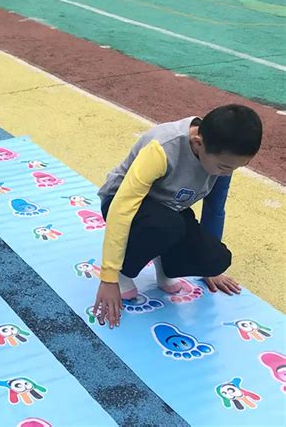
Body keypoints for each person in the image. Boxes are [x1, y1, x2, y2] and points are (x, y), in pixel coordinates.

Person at [94, 104, 263, 328]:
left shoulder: (223, 157)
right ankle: (126, 271)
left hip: (170, 211)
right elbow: (122, 207)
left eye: (237, 167)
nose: (228, 173)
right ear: (198, 143)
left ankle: (163, 261)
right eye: (224, 167)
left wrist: (208, 270)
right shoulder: (163, 148)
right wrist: (109, 276)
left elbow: (214, 209)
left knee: (217, 259)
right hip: (124, 204)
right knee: (167, 227)